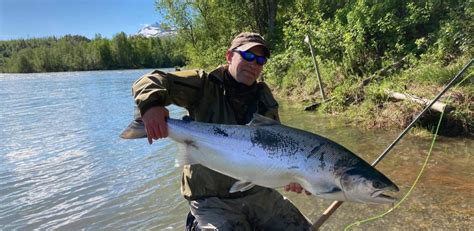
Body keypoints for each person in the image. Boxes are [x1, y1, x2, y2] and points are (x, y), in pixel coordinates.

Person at [131, 32, 312, 230]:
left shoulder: (265, 100)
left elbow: (278, 152)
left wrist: (294, 176)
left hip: (258, 192)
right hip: (211, 199)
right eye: (248, 56)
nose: (254, 64)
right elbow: (149, 79)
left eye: (260, 60)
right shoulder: (203, 84)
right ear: (229, 56)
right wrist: (150, 106)